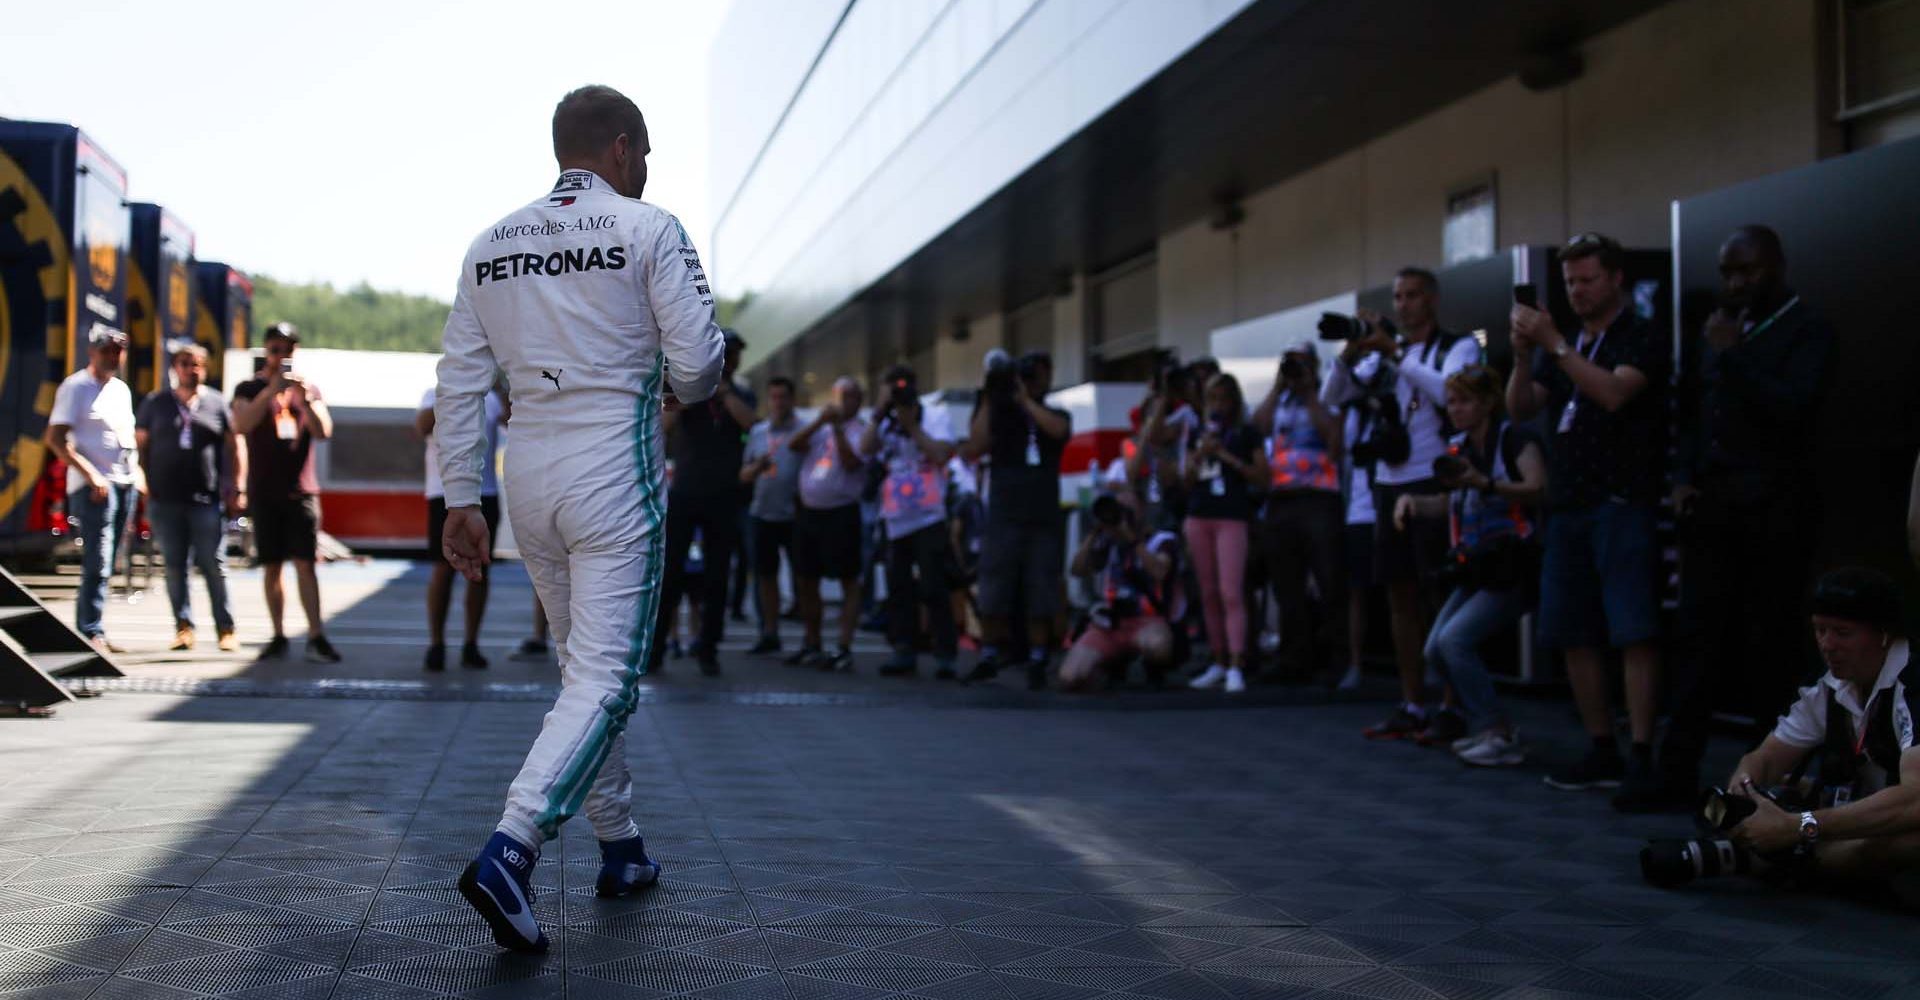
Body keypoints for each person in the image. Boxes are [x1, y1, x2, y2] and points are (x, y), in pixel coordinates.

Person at [435, 84, 725, 952]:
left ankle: (622, 846)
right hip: (612, 471)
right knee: (607, 678)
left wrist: (461, 498)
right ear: (625, 150)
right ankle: (512, 847)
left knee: (580, 676)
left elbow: (458, 383)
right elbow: (702, 365)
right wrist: (665, 386)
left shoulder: (490, 243)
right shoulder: (650, 228)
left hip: (527, 475)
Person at [1654, 225, 1834, 810]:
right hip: (1713, 510)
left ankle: (1775, 784)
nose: (1736, 282)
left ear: (1777, 267)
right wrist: (1683, 476)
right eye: (1728, 271)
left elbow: (1795, 410)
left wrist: (1735, 357)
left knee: (1773, 649)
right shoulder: (1718, 330)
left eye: (1748, 271)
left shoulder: (1808, 329)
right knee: (1695, 644)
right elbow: (1694, 411)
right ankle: (1673, 773)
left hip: (1776, 513)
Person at [1508, 232, 1669, 802]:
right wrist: (1525, 351)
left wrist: (1552, 343)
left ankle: (1643, 752)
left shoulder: (1642, 334)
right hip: (1569, 504)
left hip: (1622, 500)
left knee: (1633, 630)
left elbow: (1614, 394)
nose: (1576, 291)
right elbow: (1521, 406)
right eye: (1570, 282)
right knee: (1573, 630)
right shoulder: (1568, 340)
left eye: (1587, 280)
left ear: (1616, 278)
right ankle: (1601, 744)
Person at [1644, 569, 1920, 895]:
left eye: (1843, 633)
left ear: (1884, 635)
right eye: (1820, 630)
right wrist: (1746, 796)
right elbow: (1768, 757)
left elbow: (1914, 799)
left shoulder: (1912, 680)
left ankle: (1770, 859)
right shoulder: (1833, 685)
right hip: (1870, 811)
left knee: (1908, 840)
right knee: (1796, 787)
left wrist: (1797, 827)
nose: (1827, 645)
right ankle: (1781, 851)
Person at [1326, 268, 1481, 742]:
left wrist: (1395, 353)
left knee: (1442, 596)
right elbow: (1335, 397)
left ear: (1432, 300)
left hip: (1437, 481)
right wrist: (1351, 352)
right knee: (1400, 599)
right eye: (1398, 297)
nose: (1404, 305)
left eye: (1413, 296)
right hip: (1389, 486)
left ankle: (1453, 706)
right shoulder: (1381, 357)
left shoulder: (1458, 347)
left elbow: (1449, 391)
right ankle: (1412, 701)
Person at [1393, 366, 1546, 766]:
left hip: (1512, 566)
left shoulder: (1514, 439)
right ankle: (1486, 725)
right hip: (1477, 567)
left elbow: (1539, 489)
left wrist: (1487, 484)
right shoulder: (1460, 448)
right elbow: (1453, 503)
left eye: (1465, 401)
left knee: (1454, 642)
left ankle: (1497, 730)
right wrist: (1414, 501)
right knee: (1436, 649)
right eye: (1453, 401)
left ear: (1488, 404)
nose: (1455, 409)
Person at [233, 322, 340, 664]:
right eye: (276, 350)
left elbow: (324, 431)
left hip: (301, 491)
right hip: (265, 491)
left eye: (288, 350)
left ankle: (315, 634)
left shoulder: (307, 389)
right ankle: (278, 634)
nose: (282, 356)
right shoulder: (249, 387)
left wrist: (304, 399)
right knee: (272, 566)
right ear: (266, 351)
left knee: (306, 564)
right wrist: (270, 392)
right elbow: (240, 425)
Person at [964, 350, 1071, 690]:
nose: (1033, 379)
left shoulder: (1053, 412)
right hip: (1004, 514)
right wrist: (989, 394)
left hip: (1042, 517)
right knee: (995, 586)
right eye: (1027, 374)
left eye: (1037, 373)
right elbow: (975, 446)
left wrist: (1026, 402)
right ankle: (989, 654)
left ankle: (1038, 657)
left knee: (1041, 588)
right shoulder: (1000, 410)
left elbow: (1058, 431)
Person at [653, 330, 755, 675]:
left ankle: (708, 648)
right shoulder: (689, 388)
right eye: (729, 352)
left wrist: (723, 393)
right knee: (671, 574)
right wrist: (691, 392)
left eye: (737, 354)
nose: (733, 360)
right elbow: (664, 424)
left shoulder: (741, 395)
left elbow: (751, 425)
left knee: (718, 576)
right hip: (685, 492)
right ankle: (657, 650)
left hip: (724, 496)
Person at [135, 344, 243, 653]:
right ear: (174, 368)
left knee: (213, 563)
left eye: (196, 365)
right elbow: (139, 445)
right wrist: (142, 480)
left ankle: (226, 628)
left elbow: (236, 445)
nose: (190, 370)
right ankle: (183, 628)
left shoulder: (217, 403)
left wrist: (238, 485)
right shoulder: (156, 403)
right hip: (165, 499)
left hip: (205, 499)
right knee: (174, 566)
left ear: (205, 369)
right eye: (184, 364)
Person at [1251, 344, 1345, 684]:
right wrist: (1279, 386)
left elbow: (1334, 438)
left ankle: (1336, 658)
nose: (1294, 370)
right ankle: (1294, 657)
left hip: (1319, 497)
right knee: (1285, 584)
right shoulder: (1278, 402)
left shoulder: (1326, 396)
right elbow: (1255, 428)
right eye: (1289, 363)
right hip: (1280, 498)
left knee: (1328, 579)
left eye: (1301, 364)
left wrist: (1308, 393)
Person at [46, 326, 143, 652]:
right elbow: (56, 439)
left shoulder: (120, 389)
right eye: (106, 351)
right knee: (97, 559)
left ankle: (94, 626)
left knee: (110, 559)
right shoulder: (76, 387)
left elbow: (125, 438)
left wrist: (137, 473)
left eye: (118, 351)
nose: (112, 357)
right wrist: (91, 475)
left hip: (123, 481)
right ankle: (89, 631)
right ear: (92, 352)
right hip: (94, 486)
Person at [860, 364, 958, 677]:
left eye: (902, 387)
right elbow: (865, 449)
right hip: (895, 517)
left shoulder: (933, 415)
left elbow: (942, 454)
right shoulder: (883, 421)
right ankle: (904, 649)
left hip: (929, 516)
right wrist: (880, 412)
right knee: (898, 587)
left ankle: (945, 654)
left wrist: (912, 425)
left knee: (933, 586)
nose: (897, 392)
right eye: (891, 386)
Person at [1185, 374, 1270, 694]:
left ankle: (1237, 663)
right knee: (1207, 592)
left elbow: (1263, 477)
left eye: (1223, 398)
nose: (1218, 405)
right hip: (1199, 515)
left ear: (1233, 401)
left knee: (1230, 591)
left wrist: (1226, 456)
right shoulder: (1196, 432)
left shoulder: (1247, 434)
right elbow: (1186, 479)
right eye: (1212, 399)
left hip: (1232, 516)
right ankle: (1217, 660)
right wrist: (1199, 454)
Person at [418, 380, 505, 670]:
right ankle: (437, 642)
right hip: (443, 493)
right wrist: (450, 390)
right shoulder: (436, 393)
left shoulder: (492, 397)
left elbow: (516, 420)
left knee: (480, 567)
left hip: (485, 491)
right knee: (443, 568)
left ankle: (471, 642)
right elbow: (421, 426)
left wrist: (505, 384)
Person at [786, 376, 867, 671]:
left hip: (842, 513)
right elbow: (793, 445)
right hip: (810, 513)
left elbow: (851, 462)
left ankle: (844, 645)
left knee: (848, 579)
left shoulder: (861, 431)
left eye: (850, 397)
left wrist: (835, 427)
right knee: (807, 579)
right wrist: (821, 423)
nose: (844, 403)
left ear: (860, 400)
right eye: (840, 396)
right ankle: (812, 641)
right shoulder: (819, 429)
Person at [1059, 495, 1178, 691]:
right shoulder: (1107, 541)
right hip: (1110, 624)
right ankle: (1111, 663)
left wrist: (1132, 539)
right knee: (1069, 677)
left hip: (1146, 620)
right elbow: (1077, 570)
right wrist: (1093, 534)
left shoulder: (1160, 539)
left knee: (1158, 647)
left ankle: (1152, 668)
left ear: (1142, 509)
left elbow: (1159, 572)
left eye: (1126, 509)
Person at [740, 376, 802, 655]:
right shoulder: (758, 433)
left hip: (795, 514)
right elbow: (743, 474)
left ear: (792, 399)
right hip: (762, 513)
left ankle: (810, 636)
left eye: (783, 397)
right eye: (774, 397)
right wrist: (757, 467)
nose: (778, 402)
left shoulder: (804, 430)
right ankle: (769, 630)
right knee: (766, 575)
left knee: (804, 574)